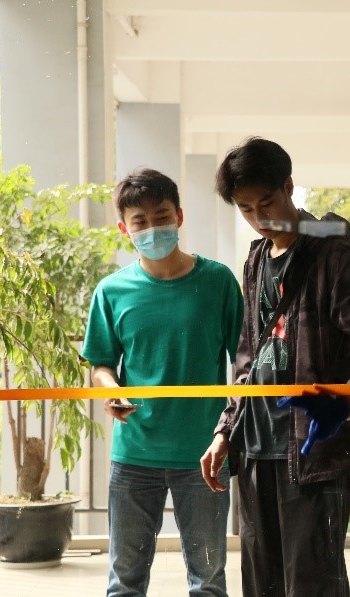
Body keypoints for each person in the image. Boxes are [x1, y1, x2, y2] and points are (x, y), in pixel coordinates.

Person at [199, 137, 350, 597]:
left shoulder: (335, 259)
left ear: (289, 187)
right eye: (246, 209)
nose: (259, 217)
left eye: (267, 202)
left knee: (313, 585)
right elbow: (247, 357)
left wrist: (347, 404)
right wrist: (225, 430)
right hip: (256, 447)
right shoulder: (256, 259)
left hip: (312, 452)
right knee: (261, 584)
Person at [82, 168, 244, 596]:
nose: (152, 228)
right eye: (140, 220)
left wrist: (228, 433)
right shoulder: (111, 291)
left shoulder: (218, 282)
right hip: (134, 453)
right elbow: (101, 363)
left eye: (161, 216)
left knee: (208, 581)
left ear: (179, 216)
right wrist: (112, 390)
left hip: (205, 454)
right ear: (124, 228)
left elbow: (247, 363)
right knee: (124, 581)